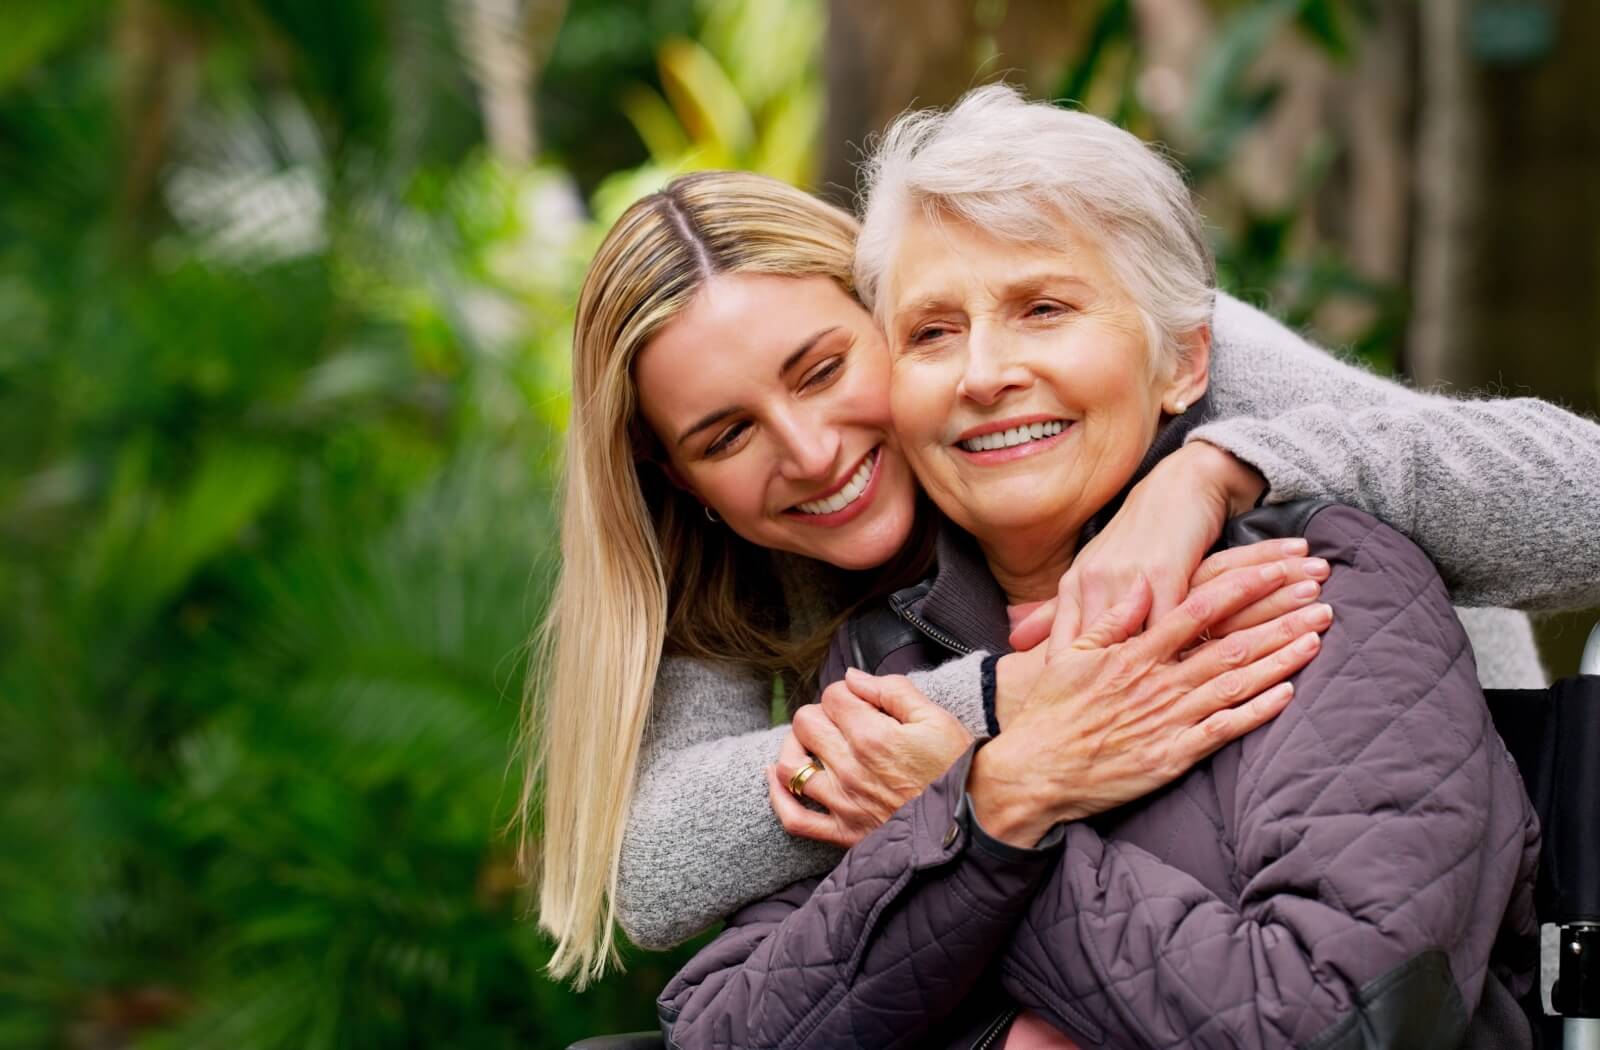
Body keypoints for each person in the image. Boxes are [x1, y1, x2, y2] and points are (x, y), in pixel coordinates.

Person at [528, 147, 1600, 989]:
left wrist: (1217, 470)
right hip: (1114, 945)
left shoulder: (1116, 344)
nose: (808, 453)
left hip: (1428, 867)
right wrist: (1008, 711)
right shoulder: (731, 548)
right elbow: (654, 865)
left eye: (823, 369)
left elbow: (1582, 504)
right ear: (675, 477)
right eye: (725, 437)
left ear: (892, 314)